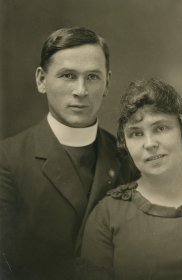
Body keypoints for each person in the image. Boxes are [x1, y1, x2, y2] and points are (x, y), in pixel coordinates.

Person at [0, 27, 137, 280]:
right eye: (68, 76)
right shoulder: (7, 159)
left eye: (93, 77)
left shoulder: (127, 157)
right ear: (42, 80)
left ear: (107, 82)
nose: (81, 90)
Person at [79, 78, 182, 280]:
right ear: (126, 143)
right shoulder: (107, 215)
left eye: (161, 128)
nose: (149, 144)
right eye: (136, 133)